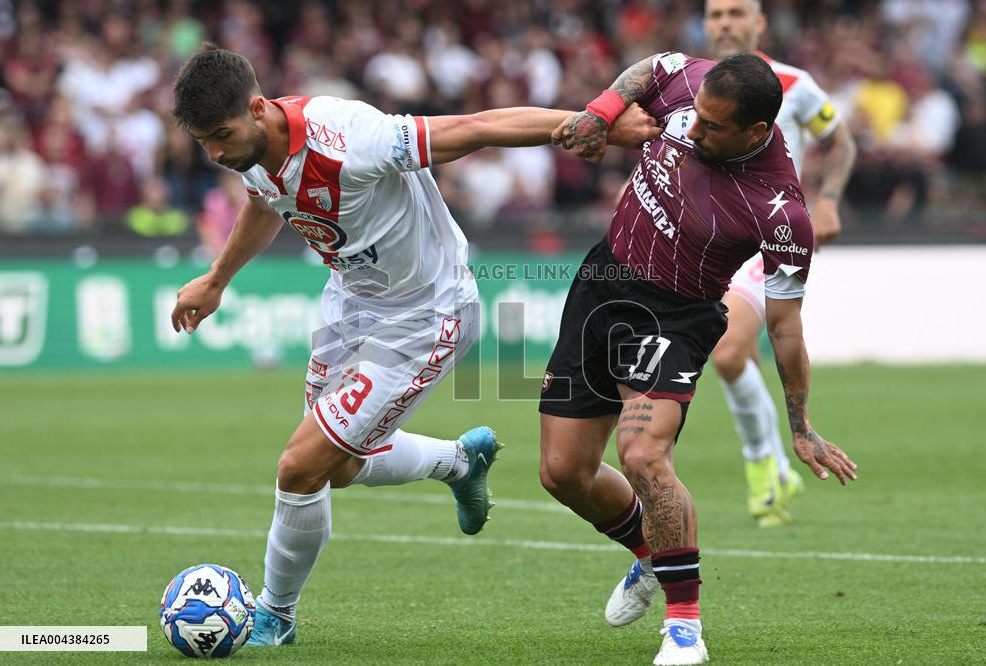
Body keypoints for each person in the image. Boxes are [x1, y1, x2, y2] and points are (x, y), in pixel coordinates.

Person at [169, 44, 655, 650]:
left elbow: (477, 127)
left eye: (220, 136)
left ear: (258, 108)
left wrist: (591, 123)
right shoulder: (250, 149)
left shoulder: (351, 138)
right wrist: (217, 279)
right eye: (203, 143)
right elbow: (266, 200)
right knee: (336, 469)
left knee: (299, 467)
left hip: (426, 316)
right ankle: (458, 461)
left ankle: (276, 613)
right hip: (350, 305)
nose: (215, 154)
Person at [541, 53, 858, 665]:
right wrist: (601, 112)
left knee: (643, 455)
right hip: (601, 284)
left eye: (712, 127)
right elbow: (649, 70)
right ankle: (651, 555)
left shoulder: (781, 210)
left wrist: (800, 426)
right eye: (696, 116)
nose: (692, 130)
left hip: (675, 316)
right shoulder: (695, 84)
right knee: (563, 472)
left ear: (756, 131)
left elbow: (785, 327)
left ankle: (685, 627)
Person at [703, 0, 857, 526]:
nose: (725, 23)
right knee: (735, 355)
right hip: (709, 241)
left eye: (735, 13)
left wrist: (829, 200)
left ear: (760, 22)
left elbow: (840, 144)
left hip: (770, 239)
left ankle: (762, 464)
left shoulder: (795, 84)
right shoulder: (694, 85)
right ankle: (777, 470)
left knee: (728, 351)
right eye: (715, 14)